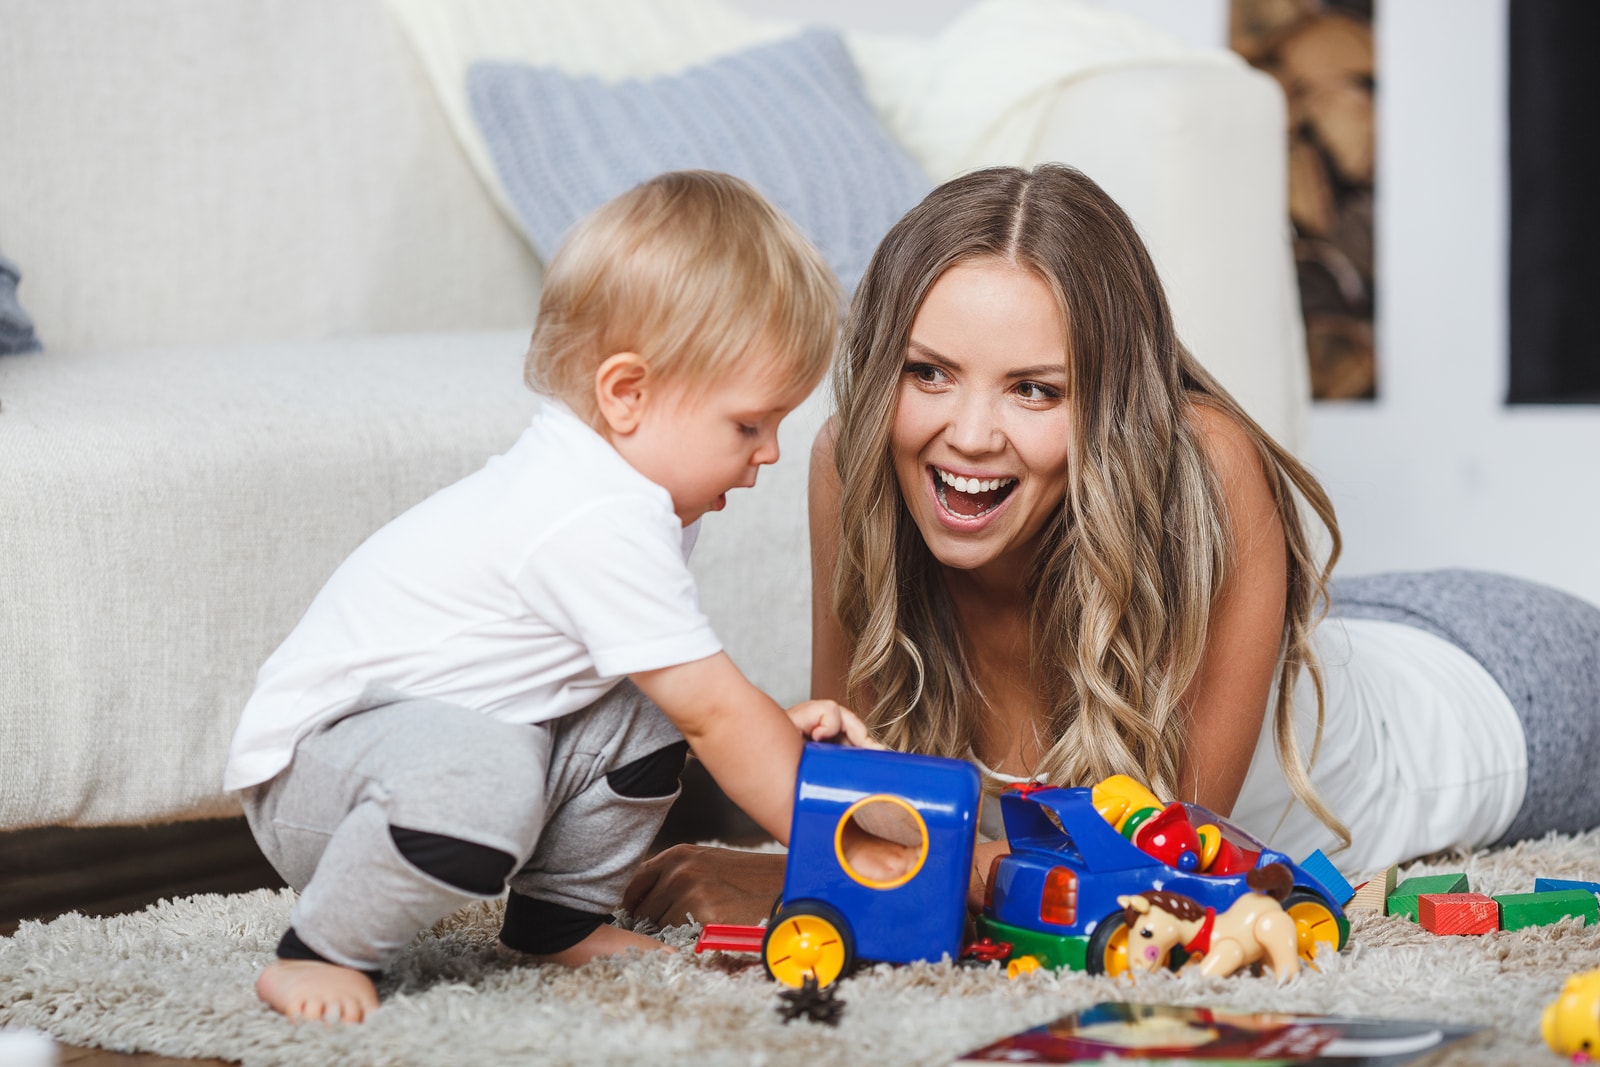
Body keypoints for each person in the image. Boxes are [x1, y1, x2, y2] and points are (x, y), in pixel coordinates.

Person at [624, 163, 1600, 927]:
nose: (968, 433)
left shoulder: (1203, 467)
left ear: (1111, 406)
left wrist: (809, 888)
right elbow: (870, 792)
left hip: (1498, 685)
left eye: (1034, 389)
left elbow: (1159, 874)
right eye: (929, 372)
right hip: (1337, 639)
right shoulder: (857, 458)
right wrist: (826, 851)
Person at [223, 171, 909, 1024]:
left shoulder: (632, 493)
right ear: (628, 394)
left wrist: (765, 717)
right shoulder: (591, 514)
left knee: (645, 714)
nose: (768, 454)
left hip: (434, 745)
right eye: (748, 425)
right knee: (495, 773)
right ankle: (317, 949)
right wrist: (857, 843)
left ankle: (554, 920)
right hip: (325, 783)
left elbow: (694, 696)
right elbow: (718, 716)